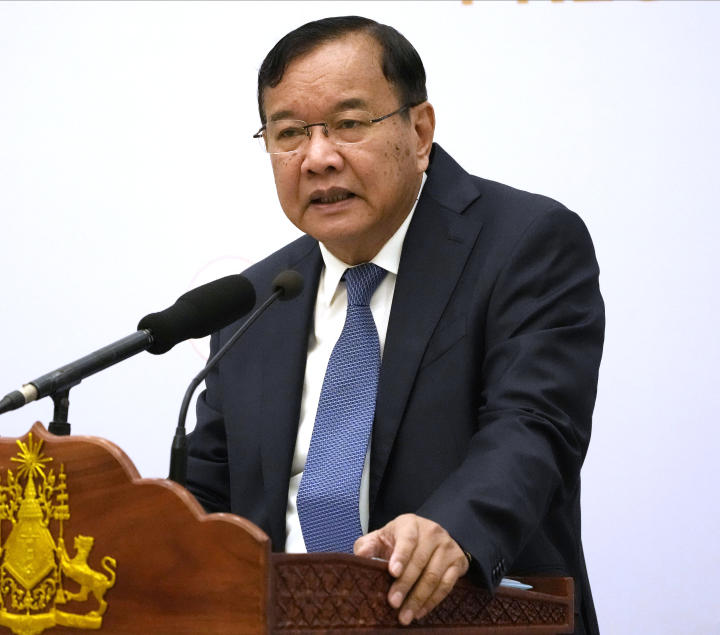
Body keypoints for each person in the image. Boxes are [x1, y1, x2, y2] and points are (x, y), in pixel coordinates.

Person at [185, 16, 603, 634]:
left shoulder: (524, 244)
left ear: (421, 130)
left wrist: (453, 527)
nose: (319, 158)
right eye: (290, 133)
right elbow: (210, 496)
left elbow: (535, 427)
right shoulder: (256, 300)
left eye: (349, 125)